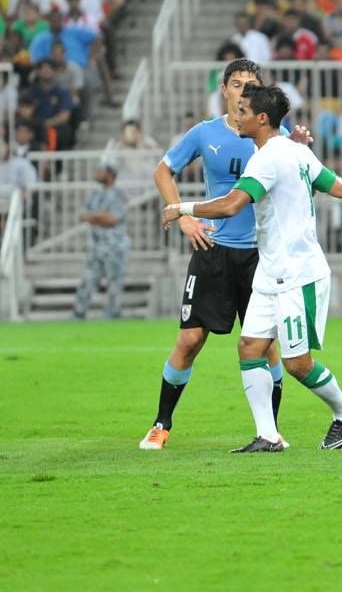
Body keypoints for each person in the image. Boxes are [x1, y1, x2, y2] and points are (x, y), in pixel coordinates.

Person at [161, 85, 342, 453]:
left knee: (298, 364)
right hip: (270, 270)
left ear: (262, 119)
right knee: (250, 346)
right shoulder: (295, 151)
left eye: (244, 110)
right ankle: (268, 435)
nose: (237, 115)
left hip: (298, 273)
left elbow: (233, 204)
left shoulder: (268, 158)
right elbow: (341, 188)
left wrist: (182, 209)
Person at [140, 59, 309, 450]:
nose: (242, 91)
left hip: (259, 256)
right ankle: (161, 424)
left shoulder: (276, 136)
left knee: (266, 346)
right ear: (224, 90)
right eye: (236, 84)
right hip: (213, 251)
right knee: (189, 340)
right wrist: (183, 218)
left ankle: (270, 431)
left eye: (250, 85)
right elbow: (163, 171)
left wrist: (298, 152)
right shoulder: (205, 133)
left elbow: (299, 183)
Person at [73, 162, 129, 320]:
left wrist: (95, 216)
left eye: (102, 170)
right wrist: (99, 216)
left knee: (114, 282)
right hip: (96, 245)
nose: (98, 173)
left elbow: (113, 219)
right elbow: (83, 215)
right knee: (88, 280)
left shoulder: (119, 194)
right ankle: (79, 312)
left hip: (115, 246)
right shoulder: (94, 194)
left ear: (110, 174)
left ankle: (112, 315)